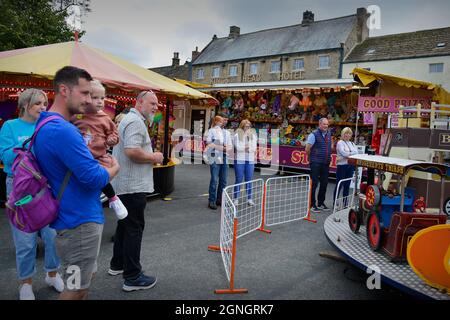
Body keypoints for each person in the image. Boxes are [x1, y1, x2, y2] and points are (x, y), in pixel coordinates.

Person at [33, 66, 120, 300]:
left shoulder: (45, 124)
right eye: (84, 93)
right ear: (64, 90)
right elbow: (93, 177)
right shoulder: (63, 130)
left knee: (81, 285)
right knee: (75, 288)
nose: (89, 99)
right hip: (78, 222)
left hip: (73, 219)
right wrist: (114, 168)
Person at [0, 89, 64, 300]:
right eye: (38, 103)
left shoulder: (46, 125)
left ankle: (52, 274)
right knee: (25, 239)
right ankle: (25, 283)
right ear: (25, 104)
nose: (43, 107)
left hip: (45, 187)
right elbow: (7, 158)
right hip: (18, 187)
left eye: (45, 103)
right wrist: (30, 144)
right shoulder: (10, 126)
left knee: (52, 235)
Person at [108, 90, 164, 292]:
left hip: (125, 184)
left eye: (156, 104)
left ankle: (117, 264)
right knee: (134, 229)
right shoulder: (135, 121)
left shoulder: (132, 119)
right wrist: (154, 157)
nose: (156, 107)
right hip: (132, 186)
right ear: (139, 103)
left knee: (125, 226)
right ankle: (132, 276)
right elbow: (131, 151)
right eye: (152, 103)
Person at [71, 79, 127, 220]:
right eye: (95, 97)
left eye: (102, 98)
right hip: (81, 157)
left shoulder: (104, 118)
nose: (100, 101)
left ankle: (113, 199)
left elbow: (113, 133)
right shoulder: (77, 116)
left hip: (98, 156)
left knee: (102, 178)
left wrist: (112, 140)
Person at [305, 118, 332, 213]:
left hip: (325, 163)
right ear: (319, 124)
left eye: (327, 124)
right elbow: (307, 148)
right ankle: (312, 205)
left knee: (324, 184)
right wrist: (310, 158)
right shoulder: (313, 135)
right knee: (314, 184)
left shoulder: (328, 134)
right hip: (315, 162)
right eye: (324, 124)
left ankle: (321, 203)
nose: (326, 126)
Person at [205, 115, 232, 210]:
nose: (224, 122)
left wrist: (220, 147)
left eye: (226, 120)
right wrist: (221, 147)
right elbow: (208, 143)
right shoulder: (212, 131)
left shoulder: (228, 133)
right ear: (217, 121)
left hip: (224, 157)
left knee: (223, 180)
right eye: (223, 120)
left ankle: (220, 200)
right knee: (214, 179)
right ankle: (211, 200)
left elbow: (229, 147)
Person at [233, 119, 257, 206]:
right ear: (242, 126)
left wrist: (245, 148)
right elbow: (237, 148)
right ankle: (236, 198)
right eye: (246, 126)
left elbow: (254, 148)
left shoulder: (253, 135)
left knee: (249, 180)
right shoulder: (237, 135)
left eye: (249, 126)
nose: (248, 127)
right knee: (238, 179)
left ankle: (249, 199)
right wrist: (246, 148)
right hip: (239, 160)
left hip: (250, 160)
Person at [333, 127, 358, 206]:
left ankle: (345, 202)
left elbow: (356, 152)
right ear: (342, 134)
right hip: (342, 166)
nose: (347, 135)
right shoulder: (340, 142)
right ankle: (335, 201)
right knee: (339, 184)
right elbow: (344, 153)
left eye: (349, 133)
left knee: (347, 185)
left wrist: (348, 154)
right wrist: (351, 153)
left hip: (350, 165)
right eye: (346, 133)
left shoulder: (352, 143)